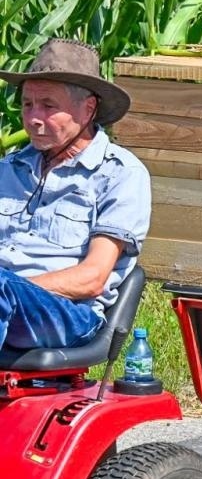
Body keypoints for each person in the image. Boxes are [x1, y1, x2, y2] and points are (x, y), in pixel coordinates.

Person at [0, 38, 150, 350]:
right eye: (27, 105)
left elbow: (92, 278)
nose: (33, 118)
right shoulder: (8, 169)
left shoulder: (119, 174)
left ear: (88, 108)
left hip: (67, 314)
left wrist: (11, 290)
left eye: (48, 106)